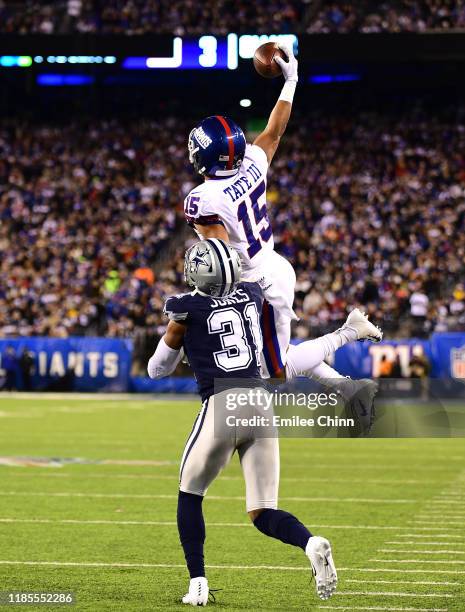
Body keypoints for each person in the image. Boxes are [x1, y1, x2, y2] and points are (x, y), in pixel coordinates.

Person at [148, 239, 383, 607]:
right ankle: (310, 542)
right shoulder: (250, 294)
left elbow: (157, 369)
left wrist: (181, 339)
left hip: (222, 401)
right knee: (262, 511)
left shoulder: (184, 307)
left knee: (190, 493)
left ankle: (197, 584)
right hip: (260, 402)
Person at [183, 42, 382, 417]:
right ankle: (350, 390)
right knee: (278, 361)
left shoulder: (204, 198)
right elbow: (273, 132)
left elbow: (221, 258)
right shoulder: (253, 164)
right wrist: (289, 81)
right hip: (274, 267)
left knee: (275, 372)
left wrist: (202, 297)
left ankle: (349, 332)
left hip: (256, 285)